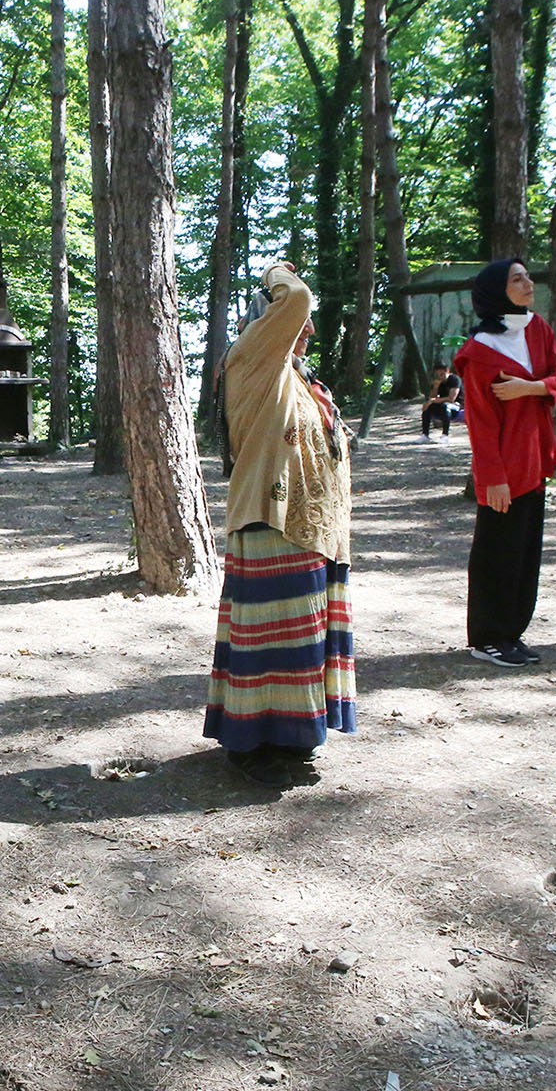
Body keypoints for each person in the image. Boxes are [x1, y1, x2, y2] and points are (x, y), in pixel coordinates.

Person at [206, 261, 355, 789]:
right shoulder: (252, 361)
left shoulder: (300, 380)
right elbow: (295, 301)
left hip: (312, 534)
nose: (308, 328)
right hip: (270, 525)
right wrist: (275, 271)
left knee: (300, 645)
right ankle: (253, 744)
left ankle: (289, 741)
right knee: (271, 645)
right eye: (296, 322)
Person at [453, 258, 556, 669]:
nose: (527, 283)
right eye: (516, 279)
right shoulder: (480, 352)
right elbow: (481, 426)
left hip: (535, 460)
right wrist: (493, 480)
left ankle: (511, 633)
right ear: (497, 290)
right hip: (505, 468)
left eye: (527, 276)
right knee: (496, 553)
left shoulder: (537, 328)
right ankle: (486, 637)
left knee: (524, 554)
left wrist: (530, 388)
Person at [422, 362, 462, 439]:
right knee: (427, 407)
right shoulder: (439, 382)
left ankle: (445, 435)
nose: (440, 377)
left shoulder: (454, 380)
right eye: (438, 375)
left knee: (445, 406)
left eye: (442, 374)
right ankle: (425, 435)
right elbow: (432, 396)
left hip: (457, 405)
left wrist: (433, 401)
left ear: (447, 371)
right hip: (443, 404)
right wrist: (436, 388)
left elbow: (451, 399)